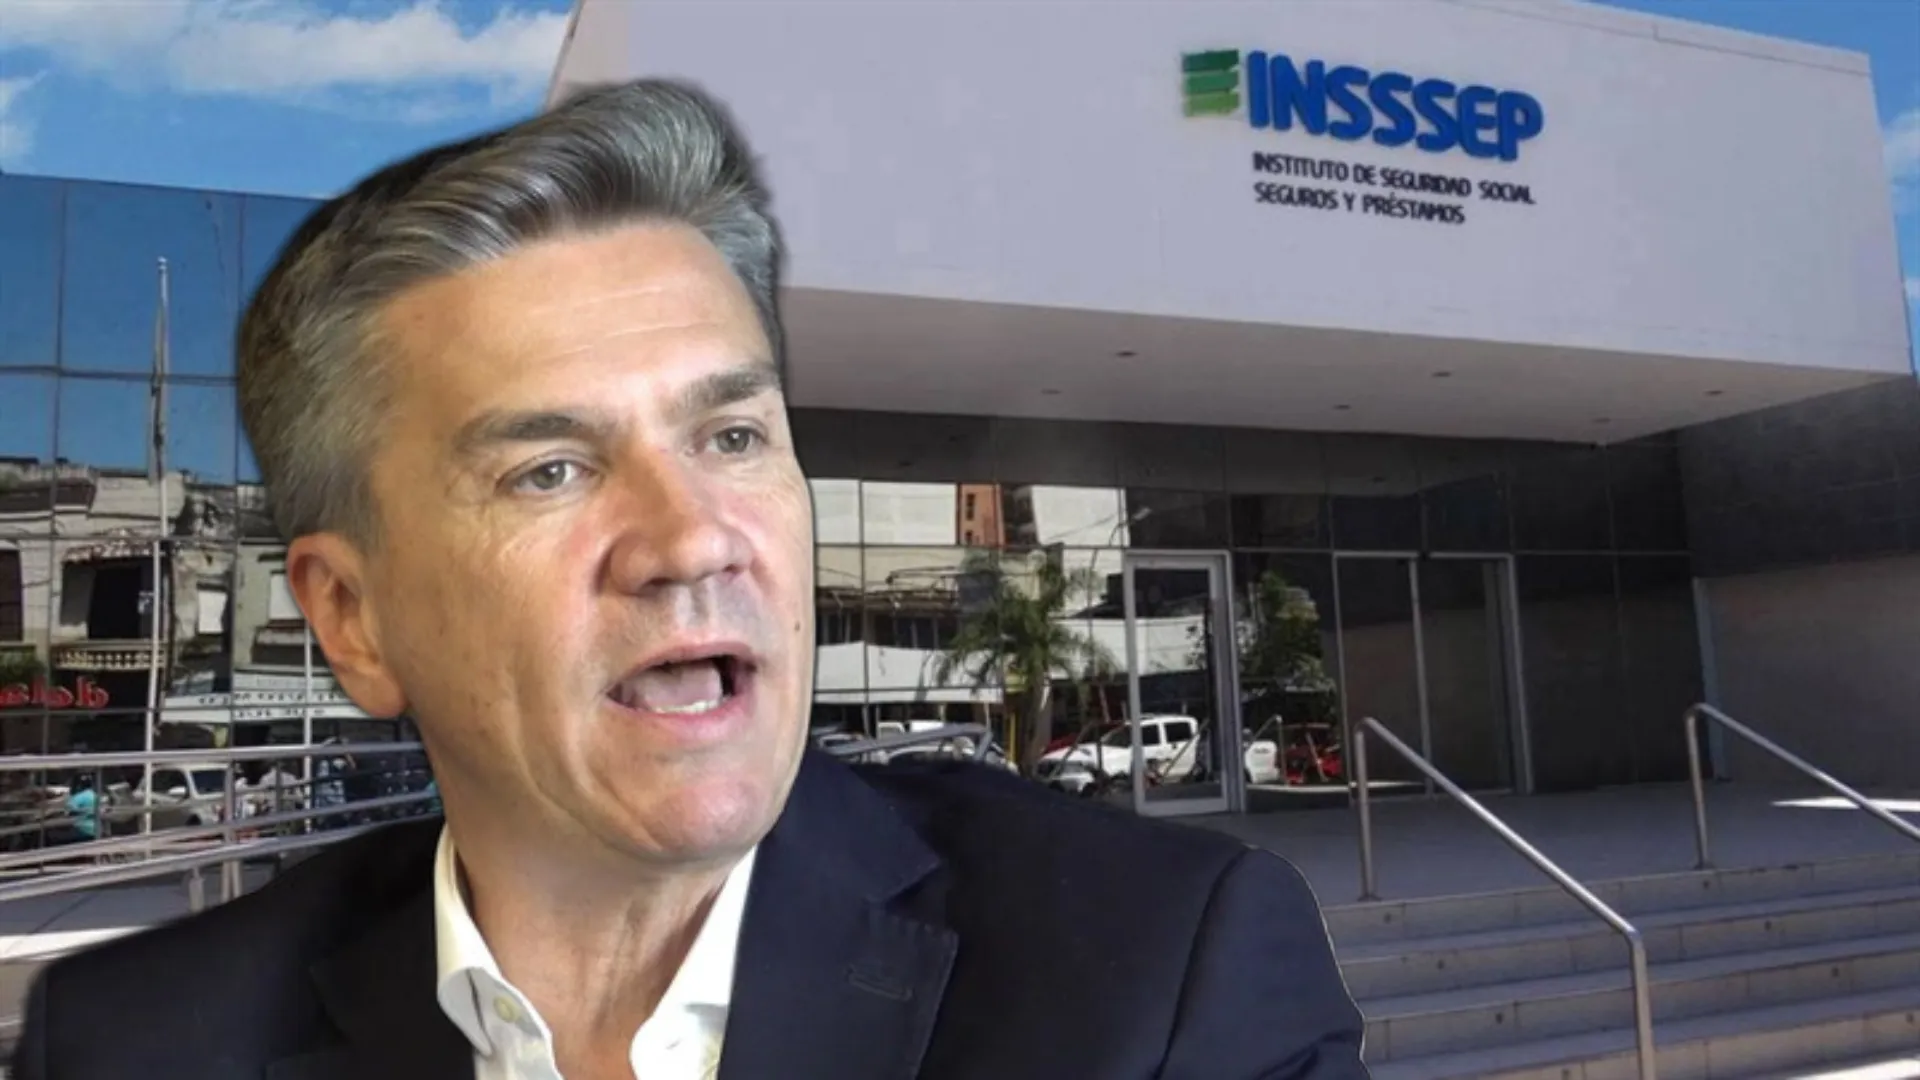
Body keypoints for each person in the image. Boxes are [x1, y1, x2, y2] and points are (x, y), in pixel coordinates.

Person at [11, 80, 1367, 1079]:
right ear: (353, 621)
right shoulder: (137, 1043)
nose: (692, 539)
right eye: (549, 469)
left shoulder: (1163, 978)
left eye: (730, 437)